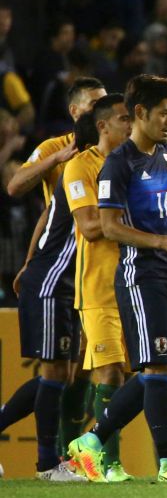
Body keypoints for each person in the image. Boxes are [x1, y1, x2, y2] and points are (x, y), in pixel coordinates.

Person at [68, 75, 167, 483]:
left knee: (157, 368)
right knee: (159, 367)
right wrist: (161, 243)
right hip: (138, 275)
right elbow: (109, 227)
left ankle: (91, 441)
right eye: (163, 113)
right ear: (140, 114)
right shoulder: (119, 163)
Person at [7, 75, 106, 460]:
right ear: (76, 111)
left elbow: (49, 214)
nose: (103, 112)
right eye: (95, 105)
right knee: (59, 370)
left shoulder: (106, 153)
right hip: (60, 266)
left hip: (87, 273)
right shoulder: (59, 149)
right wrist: (55, 160)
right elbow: (17, 187)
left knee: (76, 370)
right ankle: (55, 458)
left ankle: (66, 454)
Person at [62, 94, 134, 482]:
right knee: (109, 375)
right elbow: (90, 227)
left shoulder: (135, 163)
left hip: (135, 286)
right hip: (99, 288)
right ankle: (106, 462)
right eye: (124, 119)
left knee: (135, 375)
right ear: (103, 125)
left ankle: (94, 453)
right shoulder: (80, 167)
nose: (130, 125)